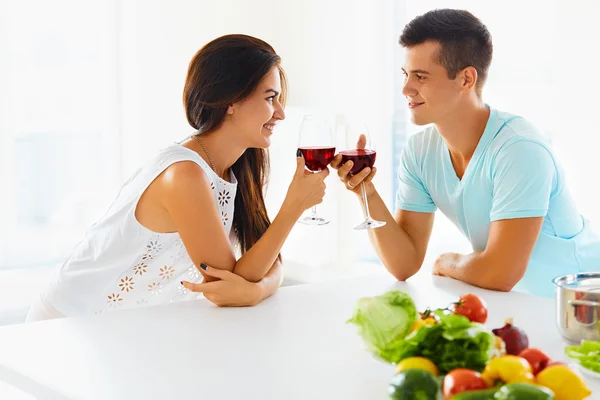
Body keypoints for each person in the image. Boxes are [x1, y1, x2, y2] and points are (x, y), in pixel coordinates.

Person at [26, 34, 329, 321]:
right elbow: (228, 284)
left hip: (119, 326)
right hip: (70, 321)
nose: (280, 113)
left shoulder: (236, 167)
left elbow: (264, 267)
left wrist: (258, 289)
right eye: (270, 98)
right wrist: (293, 207)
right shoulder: (185, 175)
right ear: (231, 101)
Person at [332, 9, 600, 298]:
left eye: (420, 77)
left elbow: (500, 273)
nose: (406, 88)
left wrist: (450, 262)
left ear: (466, 79)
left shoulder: (519, 150)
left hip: (580, 308)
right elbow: (404, 264)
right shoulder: (421, 150)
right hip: (513, 306)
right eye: (406, 75)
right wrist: (367, 193)